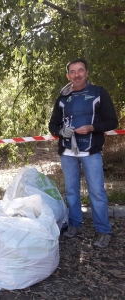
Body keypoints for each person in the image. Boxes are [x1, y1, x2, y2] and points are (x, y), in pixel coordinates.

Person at [49, 58, 118, 248]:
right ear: (68, 75)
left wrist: (92, 127)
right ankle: (75, 225)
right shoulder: (62, 98)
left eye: (80, 70)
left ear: (87, 72)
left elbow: (112, 122)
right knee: (72, 192)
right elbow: (52, 124)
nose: (77, 75)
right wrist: (60, 131)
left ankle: (103, 230)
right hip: (68, 152)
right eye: (73, 71)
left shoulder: (98, 93)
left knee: (97, 192)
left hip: (91, 151)